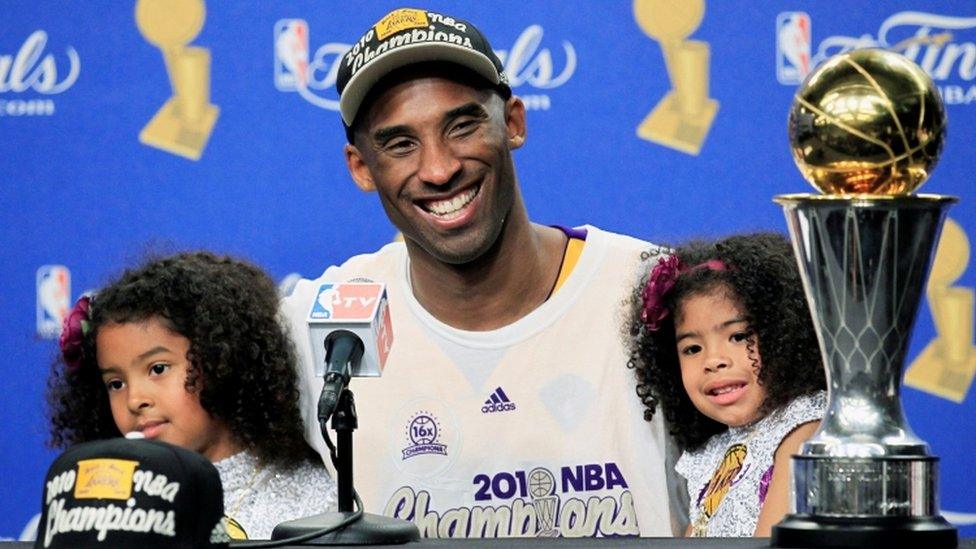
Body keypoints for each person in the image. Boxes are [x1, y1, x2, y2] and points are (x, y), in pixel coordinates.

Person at [281, 7, 684, 539]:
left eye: (462, 125)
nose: (440, 168)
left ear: (513, 122)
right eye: (400, 144)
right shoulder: (313, 323)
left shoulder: (653, 290)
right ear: (360, 167)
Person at [46, 251, 337, 540]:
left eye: (158, 369)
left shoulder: (320, 505)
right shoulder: (102, 509)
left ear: (221, 359)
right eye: (116, 383)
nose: (135, 400)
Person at [627, 232, 827, 537]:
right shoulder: (714, 452)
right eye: (692, 349)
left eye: (738, 337)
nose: (714, 360)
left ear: (785, 335)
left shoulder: (804, 431)